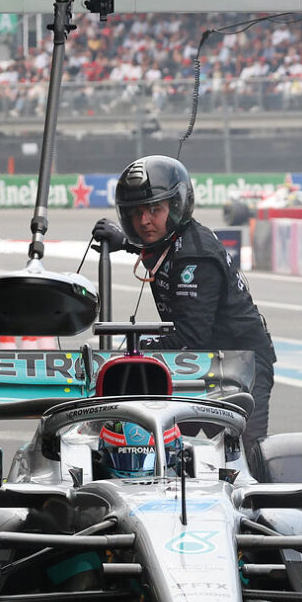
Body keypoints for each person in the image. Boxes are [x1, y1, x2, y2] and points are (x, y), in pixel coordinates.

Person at [92, 155, 276, 447]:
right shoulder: (170, 242)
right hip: (199, 362)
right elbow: (159, 247)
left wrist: (134, 351)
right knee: (163, 444)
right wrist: (126, 243)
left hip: (241, 365)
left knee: (242, 454)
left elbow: (190, 335)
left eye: (155, 209)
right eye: (137, 212)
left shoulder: (196, 256)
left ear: (176, 206)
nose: (144, 221)